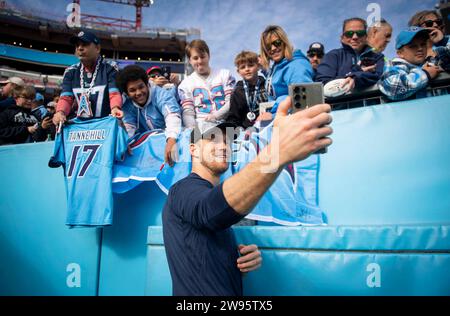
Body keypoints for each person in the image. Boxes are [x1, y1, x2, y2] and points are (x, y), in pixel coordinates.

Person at [162, 97, 333, 296]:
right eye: (213, 139)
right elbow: (210, 211)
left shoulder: (209, 198)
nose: (223, 146)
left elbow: (204, 259)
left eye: (226, 141)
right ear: (193, 149)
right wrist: (279, 151)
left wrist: (237, 261)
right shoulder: (183, 189)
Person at [53, 31, 123, 126]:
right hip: (81, 128)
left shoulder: (110, 68)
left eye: (85, 44)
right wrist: (60, 112)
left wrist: (115, 108)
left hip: (105, 126)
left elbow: (114, 94)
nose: (80, 48)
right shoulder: (70, 71)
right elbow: (66, 98)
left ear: (97, 48)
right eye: (77, 45)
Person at [116, 65, 181, 166]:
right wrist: (124, 141)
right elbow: (129, 128)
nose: (138, 93)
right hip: (148, 150)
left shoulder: (161, 94)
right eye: (132, 90)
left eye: (141, 87)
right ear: (127, 93)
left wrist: (171, 139)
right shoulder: (127, 105)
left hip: (169, 140)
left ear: (147, 84)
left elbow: (172, 116)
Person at [316, 17, 385, 93]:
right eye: (349, 34)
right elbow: (323, 84)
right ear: (342, 38)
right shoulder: (332, 56)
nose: (355, 37)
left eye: (360, 33)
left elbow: (383, 77)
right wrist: (356, 72)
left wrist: (356, 77)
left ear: (366, 37)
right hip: (341, 104)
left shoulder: (378, 56)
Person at [178, 39, 236, 128]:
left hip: (226, 124)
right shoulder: (185, 84)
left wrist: (216, 116)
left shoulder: (225, 74)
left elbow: (231, 102)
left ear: (208, 56)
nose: (200, 61)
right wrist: (194, 131)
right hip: (201, 126)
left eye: (202, 57)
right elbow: (188, 113)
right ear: (190, 60)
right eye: (195, 58)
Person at [259, 25, 314, 118]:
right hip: (277, 119)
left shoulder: (296, 65)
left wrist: (272, 116)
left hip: (291, 121)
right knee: (236, 131)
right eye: (268, 46)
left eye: (276, 43)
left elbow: (304, 102)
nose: (272, 48)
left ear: (284, 42)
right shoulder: (276, 67)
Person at [378, 27, 442, 101]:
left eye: (423, 44)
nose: (420, 48)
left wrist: (442, 41)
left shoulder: (432, 61)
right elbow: (393, 88)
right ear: (400, 53)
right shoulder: (394, 65)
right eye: (413, 46)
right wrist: (426, 74)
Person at [227, 51, 268, 129]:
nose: (247, 69)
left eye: (251, 65)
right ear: (238, 72)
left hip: (268, 125)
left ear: (258, 66)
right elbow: (233, 118)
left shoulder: (267, 84)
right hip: (247, 131)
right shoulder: (237, 92)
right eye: (243, 67)